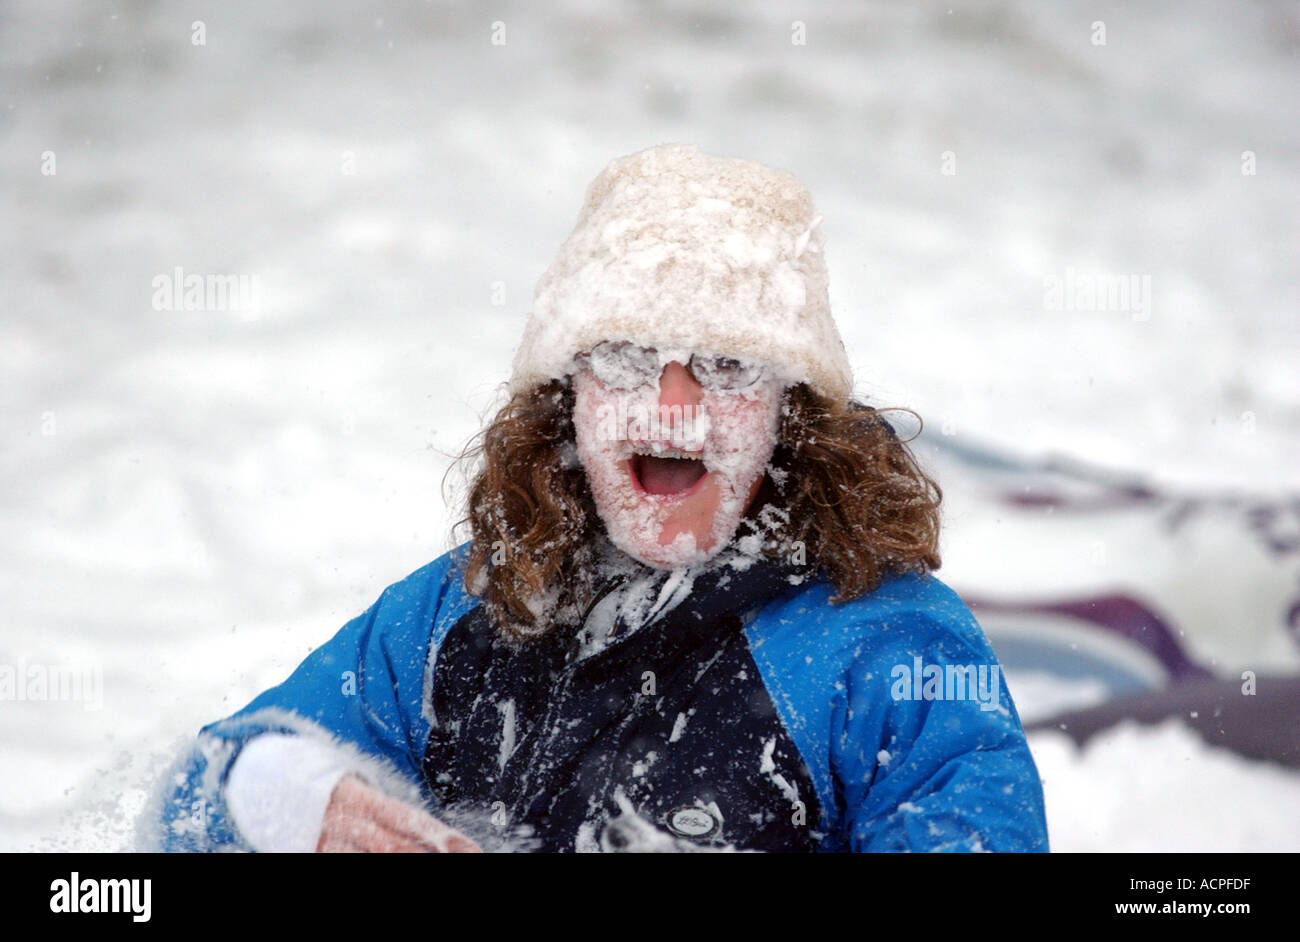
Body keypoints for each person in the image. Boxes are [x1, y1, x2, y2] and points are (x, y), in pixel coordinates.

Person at [153, 143, 1049, 853]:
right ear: (565, 397)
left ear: (793, 413)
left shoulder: (887, 643)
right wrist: (288, 798)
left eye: (727, 366)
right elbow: (193, 797)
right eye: (624, 357)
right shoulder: (454, 617)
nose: (674, 408)